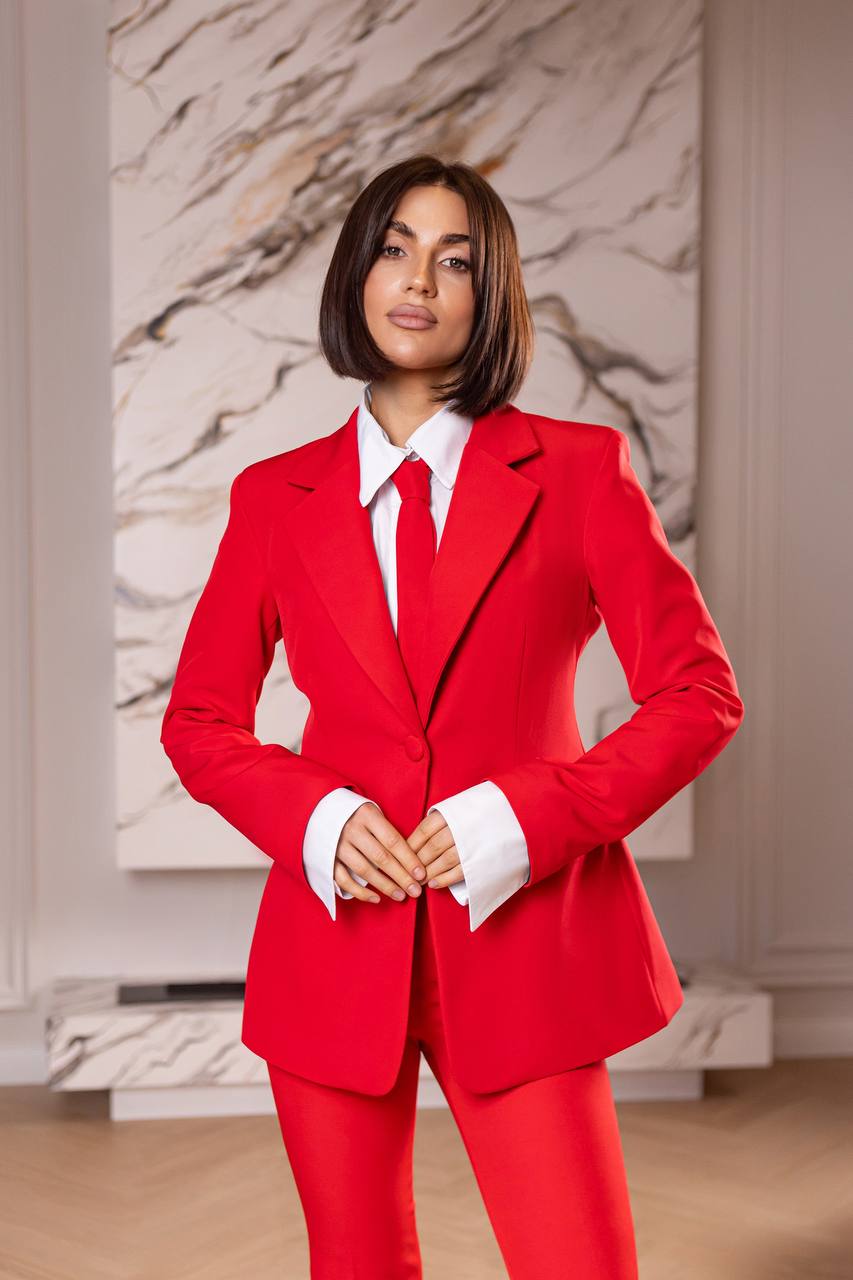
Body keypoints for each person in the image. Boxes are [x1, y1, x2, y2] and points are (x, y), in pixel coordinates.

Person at [160, 154, 745, 1278]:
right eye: (393, 246)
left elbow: (698, 693)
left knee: (578, 1263)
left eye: (455, 258)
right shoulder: (273, 499)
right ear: (357, 274)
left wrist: (528, 817)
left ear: (491, 295)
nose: (417, 277)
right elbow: (200, 720)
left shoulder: (580, 472)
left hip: (528, 943)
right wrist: (320, 818)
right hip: (334, 945)